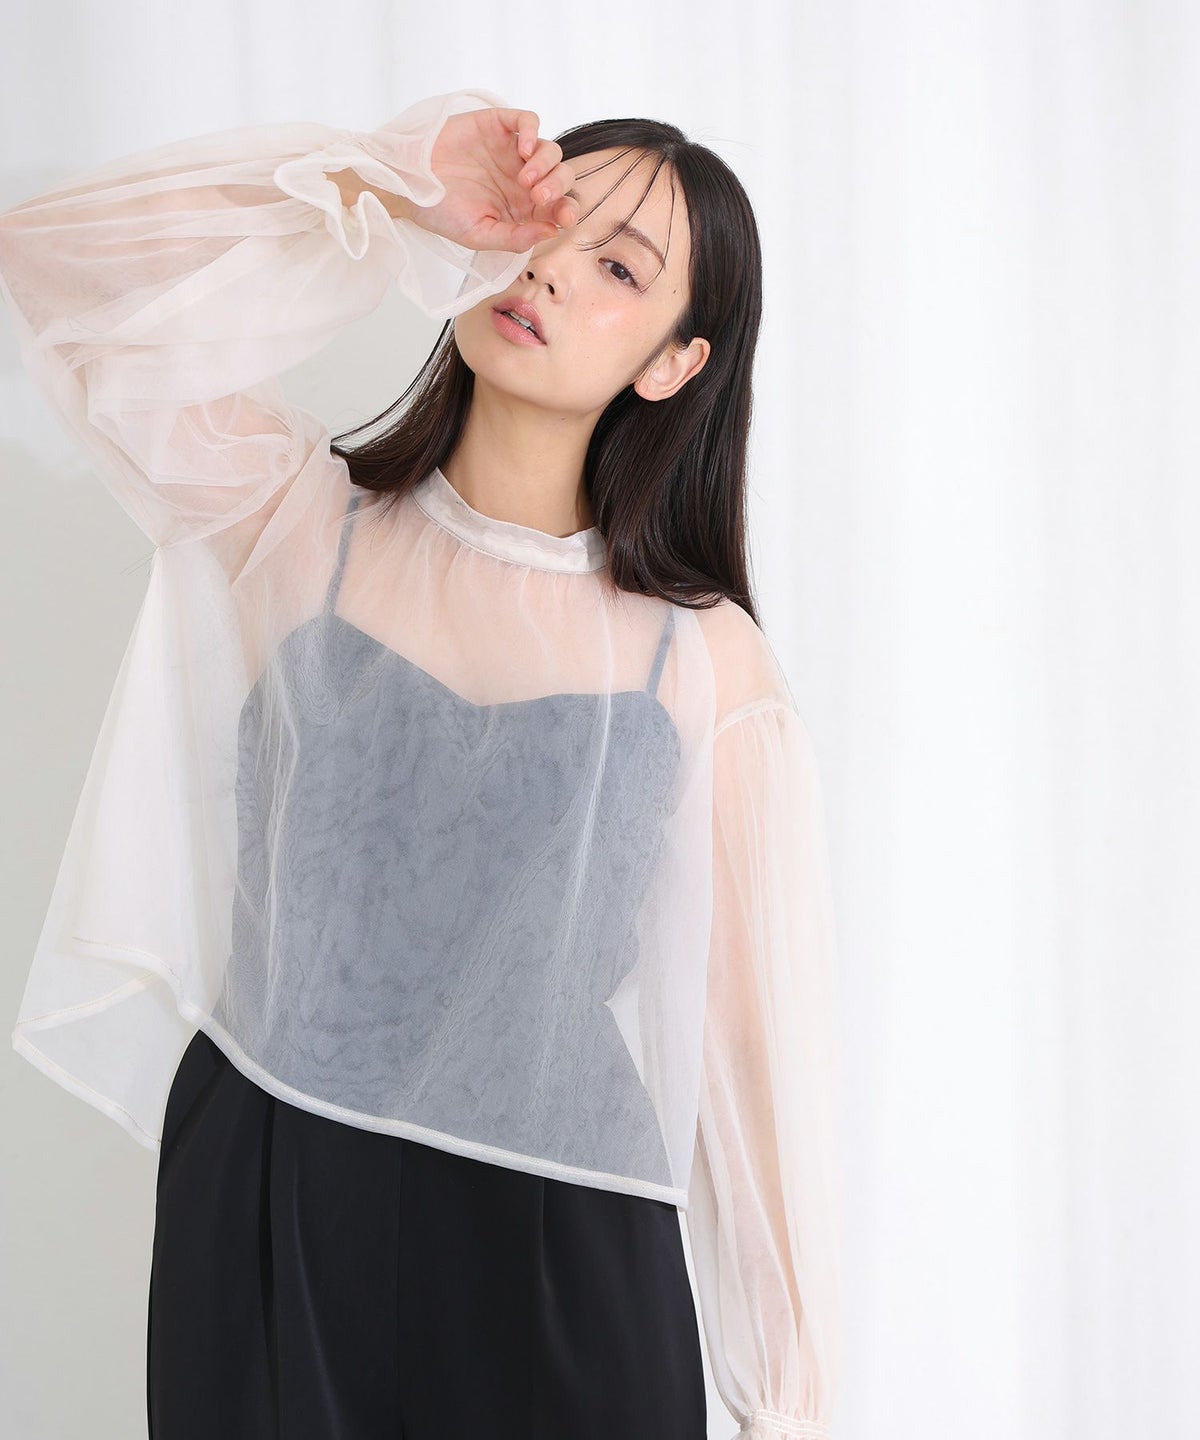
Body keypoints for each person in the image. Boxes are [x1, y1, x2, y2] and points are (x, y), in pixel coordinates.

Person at [0, 87, 843, 1439]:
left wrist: (787, 1402)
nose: (549, 271)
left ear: (675, 363)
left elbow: (748, 1059)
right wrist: (383, 191)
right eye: (544, 223)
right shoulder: (294, 524)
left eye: (618, 270)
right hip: (268, 1211)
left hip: (561, 1264)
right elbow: (52, 266)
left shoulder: (703, 664)